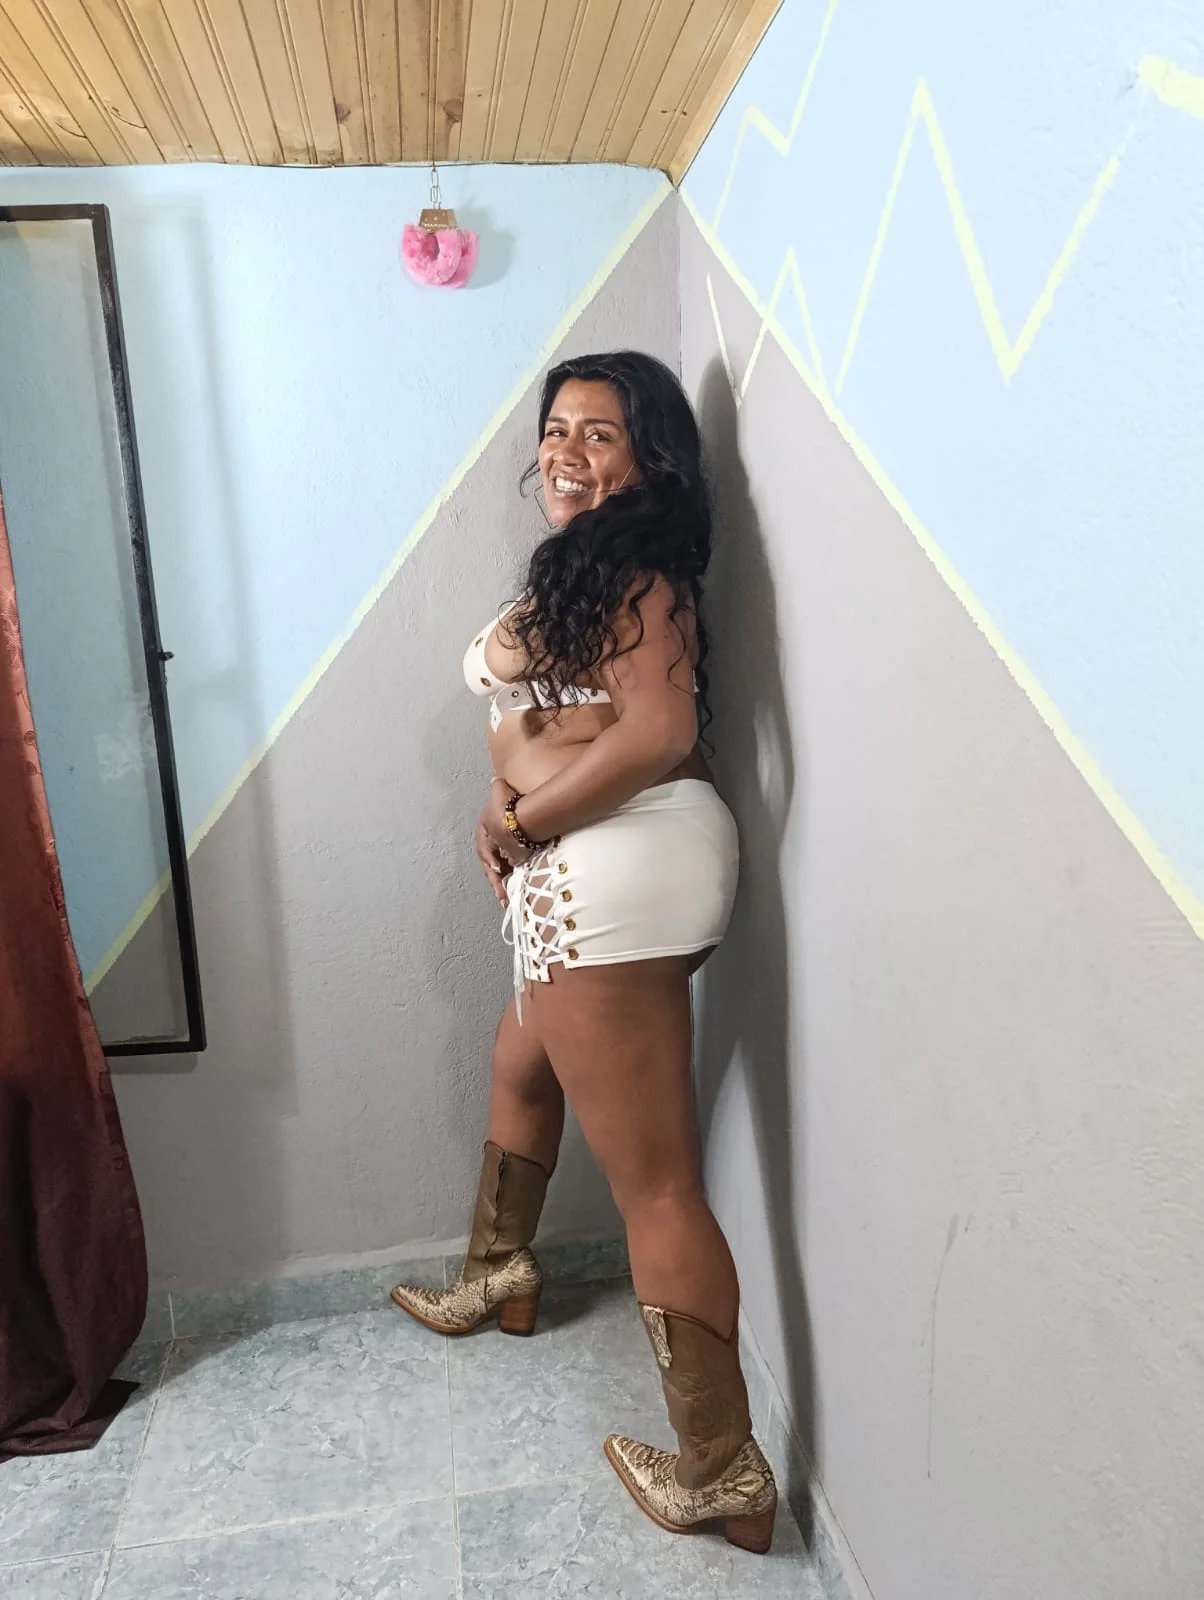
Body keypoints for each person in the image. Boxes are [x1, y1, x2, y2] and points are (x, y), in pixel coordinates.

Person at [391, 351, 777, 1554]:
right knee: (521, 1058)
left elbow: (654, 729)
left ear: (650, 456)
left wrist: (524, 819)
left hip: (615, 861)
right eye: (556, 428)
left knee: (655, 1185)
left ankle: (718, 1469)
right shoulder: (588, 567)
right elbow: (558, 719)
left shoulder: (641, 568)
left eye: (598, 433)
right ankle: (498, 1270)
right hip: (594, 859)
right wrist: (504, 799)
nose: (566, 449)